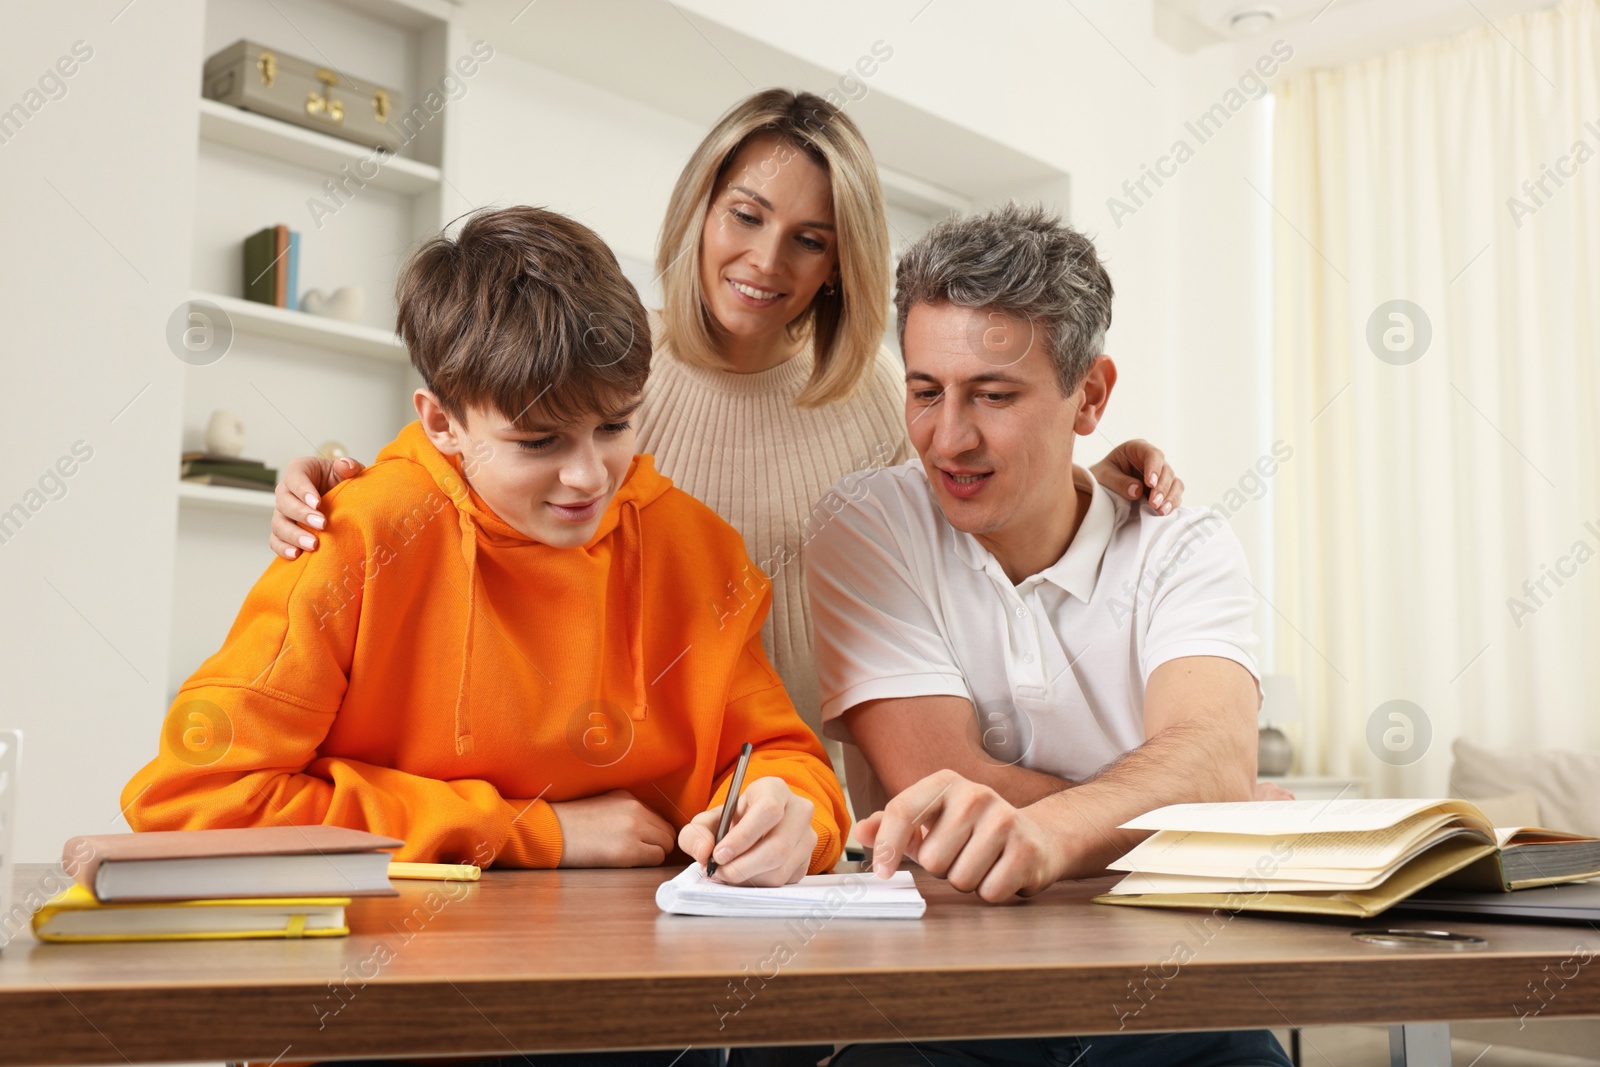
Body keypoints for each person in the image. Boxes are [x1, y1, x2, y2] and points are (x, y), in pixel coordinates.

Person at [263, 91, 1185, 795]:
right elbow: (463, 460)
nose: (766, 262)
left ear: (838, 264)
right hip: (637, 772)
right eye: (746, 215)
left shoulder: (877, 398)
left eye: (809, 240)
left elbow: (968, 515)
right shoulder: (613, 372)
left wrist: (1076, 473)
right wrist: (333, 479)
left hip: (814, 777)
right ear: (702, 208)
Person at [124, 207, 848, 913]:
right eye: (539, 442)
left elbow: (791, 765)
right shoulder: (355, 539)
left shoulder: (698, 551)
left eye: (615, 425)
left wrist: (793, 820)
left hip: (636, 989)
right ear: (442, 422)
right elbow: (194, 796)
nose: (589, 476)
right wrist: (532, 828)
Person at [808, 204, 1292, 1067]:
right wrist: (1186, 816)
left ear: (1091, 396)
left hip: (1175, 999)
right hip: (944, 1010)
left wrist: (1062, 827)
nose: (949, 438)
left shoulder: (1183, 544)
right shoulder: (867, 525)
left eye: (993, 395)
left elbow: (1213, 756)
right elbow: (941, 789)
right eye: (925, 392)